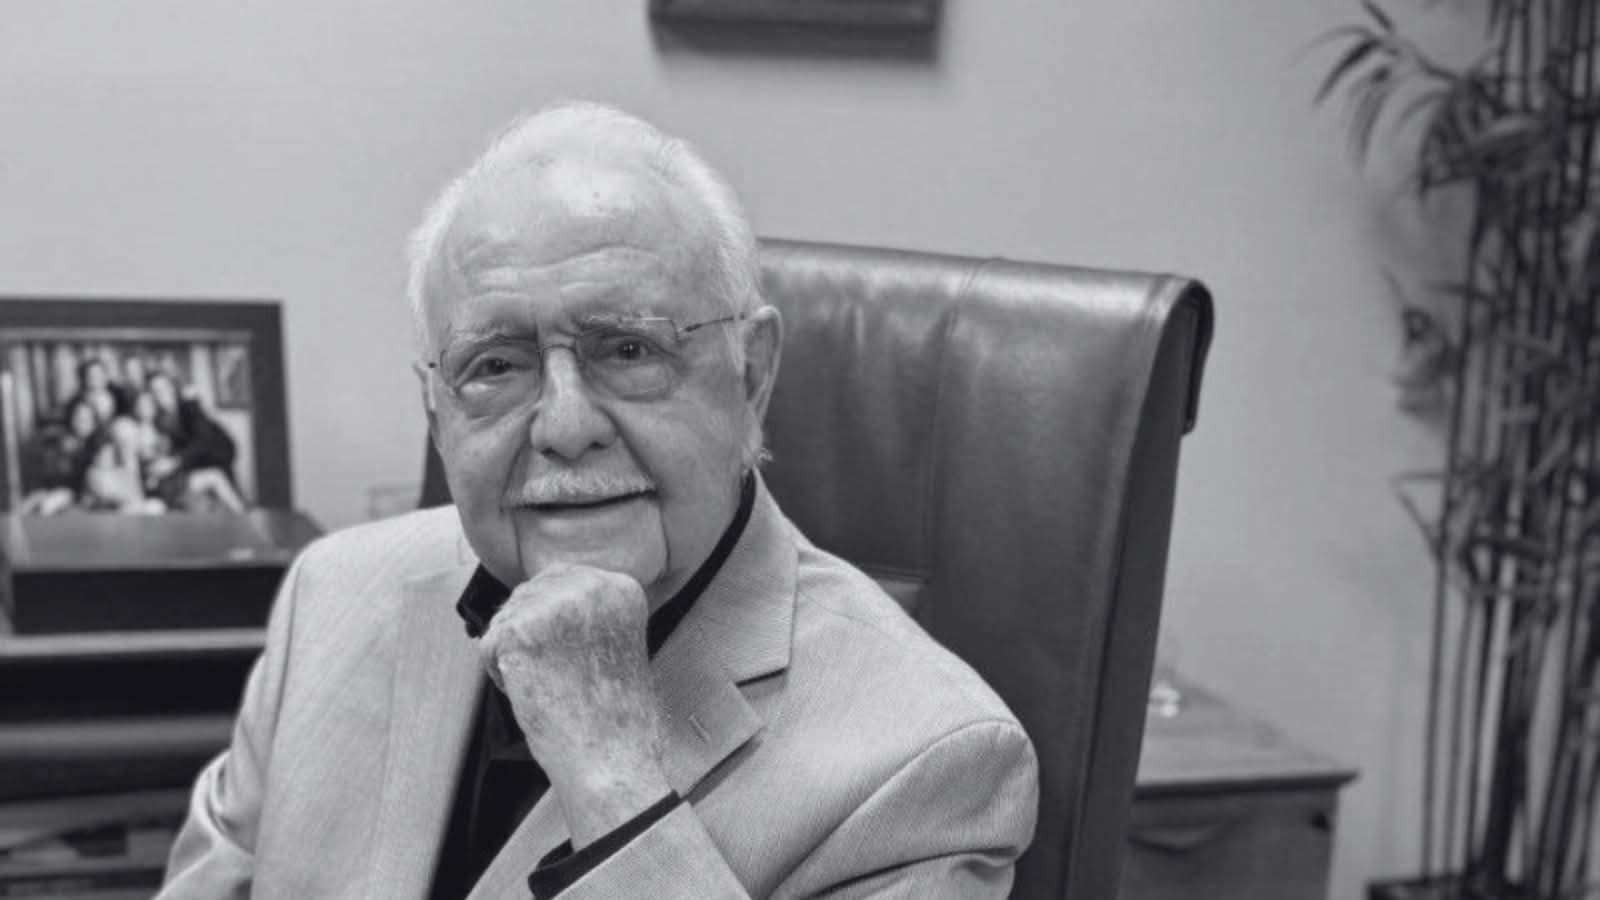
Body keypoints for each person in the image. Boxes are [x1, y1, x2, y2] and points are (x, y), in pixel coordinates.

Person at [158, 102, 1038, 900]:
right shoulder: (332, 596)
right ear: (436, 412)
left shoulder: (926, 767)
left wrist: (609, 777)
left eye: (628, 350)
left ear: (752, 375)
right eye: (495, 365)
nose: (566, 426)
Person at [142, 371, 246, 512]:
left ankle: (242, 514)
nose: (160, 393)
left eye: (164, 388)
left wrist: (175, 462)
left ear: (172, 388)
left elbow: (204, 440)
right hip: (191, 462)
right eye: (155, 390)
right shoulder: (157, 418)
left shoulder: (189, 406)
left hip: (217, 454)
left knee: (227, 494)